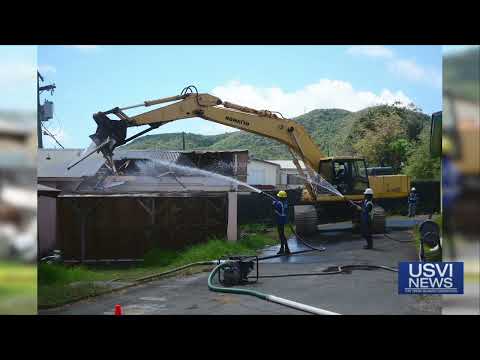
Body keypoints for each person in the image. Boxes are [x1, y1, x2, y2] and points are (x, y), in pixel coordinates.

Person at [272, 190, 291, 255]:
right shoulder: (285, 202)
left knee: (281, 235)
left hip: (280, 220)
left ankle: (286, 249)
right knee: (282, 235)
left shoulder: (279, 203)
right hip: (283, 220)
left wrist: (274, 204)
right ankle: (283, 249)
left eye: (279, 196)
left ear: (280, 197)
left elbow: (276, 209)